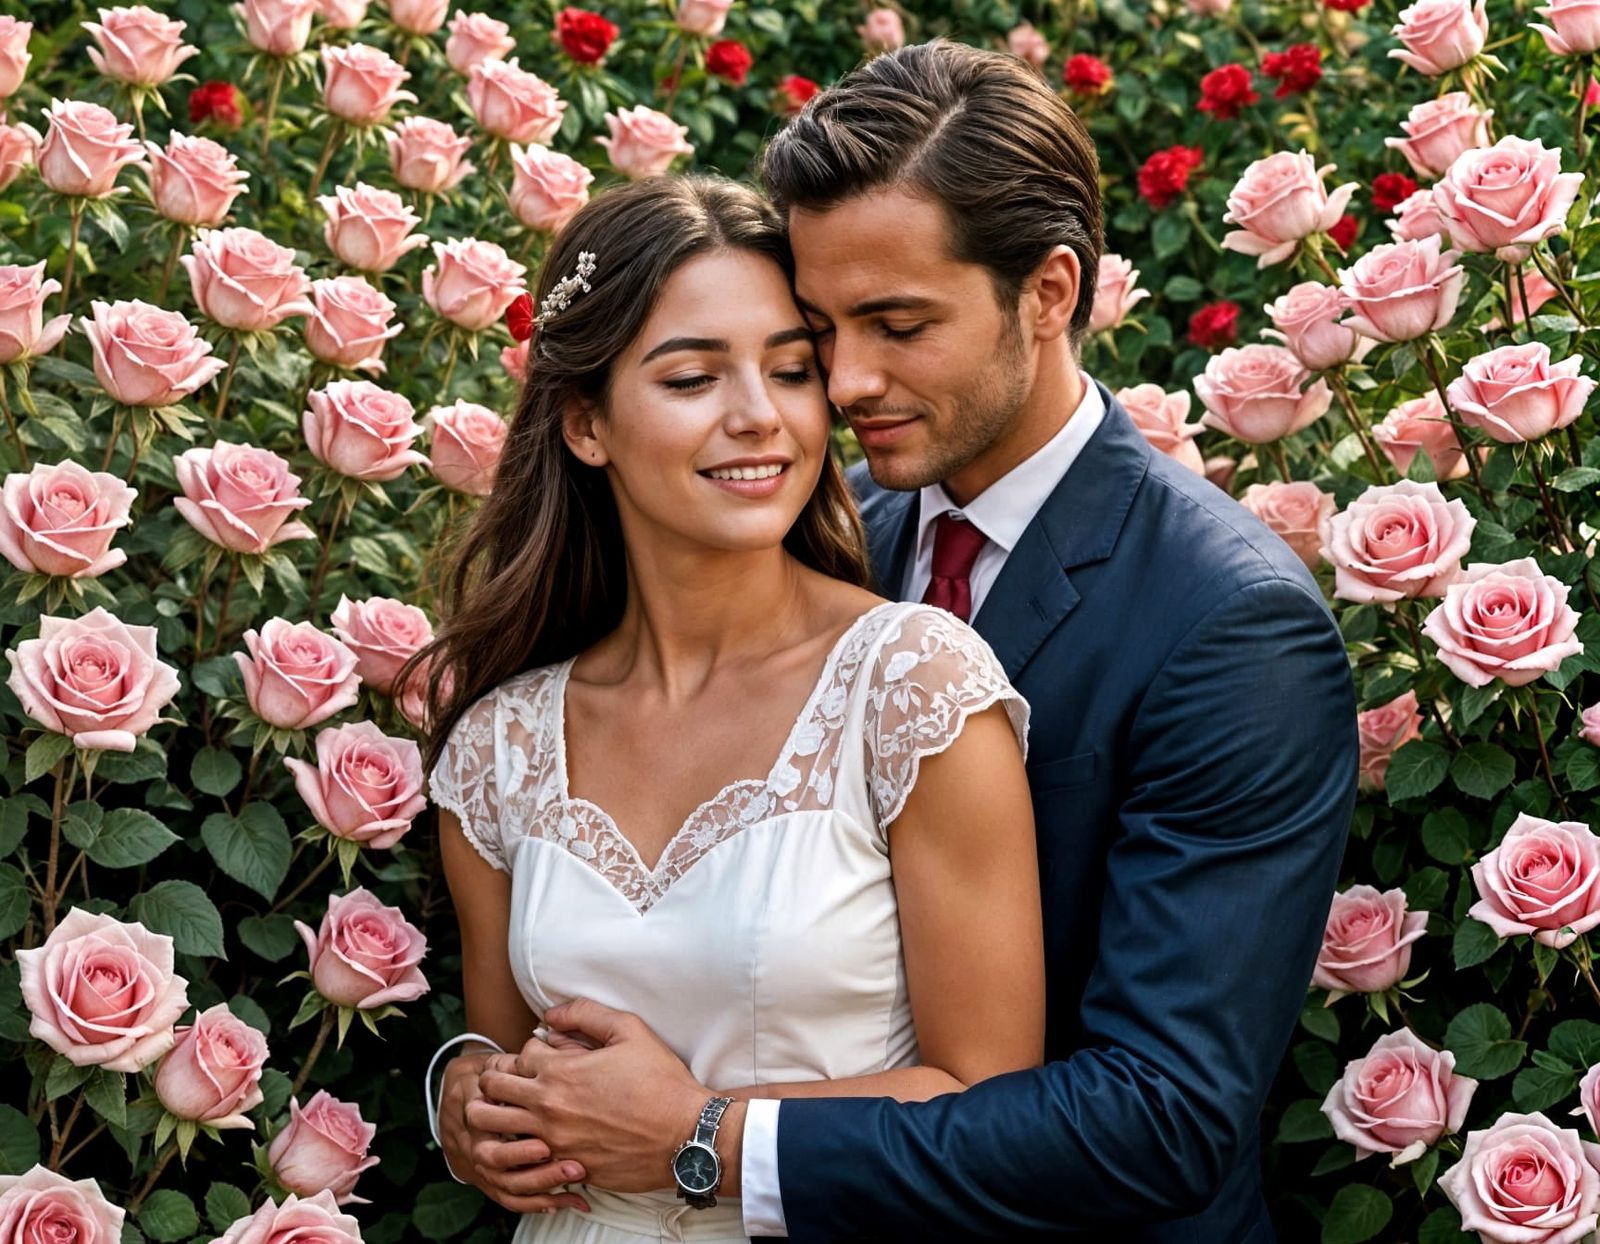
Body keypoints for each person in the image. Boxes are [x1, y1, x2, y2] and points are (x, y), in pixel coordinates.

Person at [448, 40, 1359, 1243]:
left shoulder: (1225, 621)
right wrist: (478, 1086)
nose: (843, 381)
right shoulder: (801, 531)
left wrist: (704, 1136)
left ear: (1048, 292)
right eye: (820, 327)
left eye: (895, 322)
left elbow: (1161, 1114)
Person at [415, 173, 1047, 1243]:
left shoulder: (914, 689)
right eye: (693, 377)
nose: (759, 415)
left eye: (792, 371)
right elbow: (507, 1063)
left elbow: (992, 1109)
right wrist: (466, 1098)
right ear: (585, 424)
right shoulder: (500, 746)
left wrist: (698, 1130)